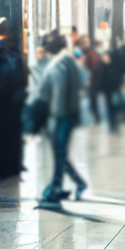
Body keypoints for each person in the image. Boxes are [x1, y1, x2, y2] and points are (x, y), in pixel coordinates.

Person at [34, 31, 88, 206]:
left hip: (60, 114)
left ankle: (56, 189)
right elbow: (81, 83)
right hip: (71, 113)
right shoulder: (70, 61)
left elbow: (53, 92)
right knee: (60, 153)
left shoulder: (57, 64)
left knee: (59, 153)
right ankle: (74, 183)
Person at [0, 18, 27, 178]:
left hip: (6, 98)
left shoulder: (6, 52)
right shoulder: (1, 51)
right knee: (9, 134)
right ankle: (8, 166)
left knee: (8, 134)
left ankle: (9, 165)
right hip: (6, 99)